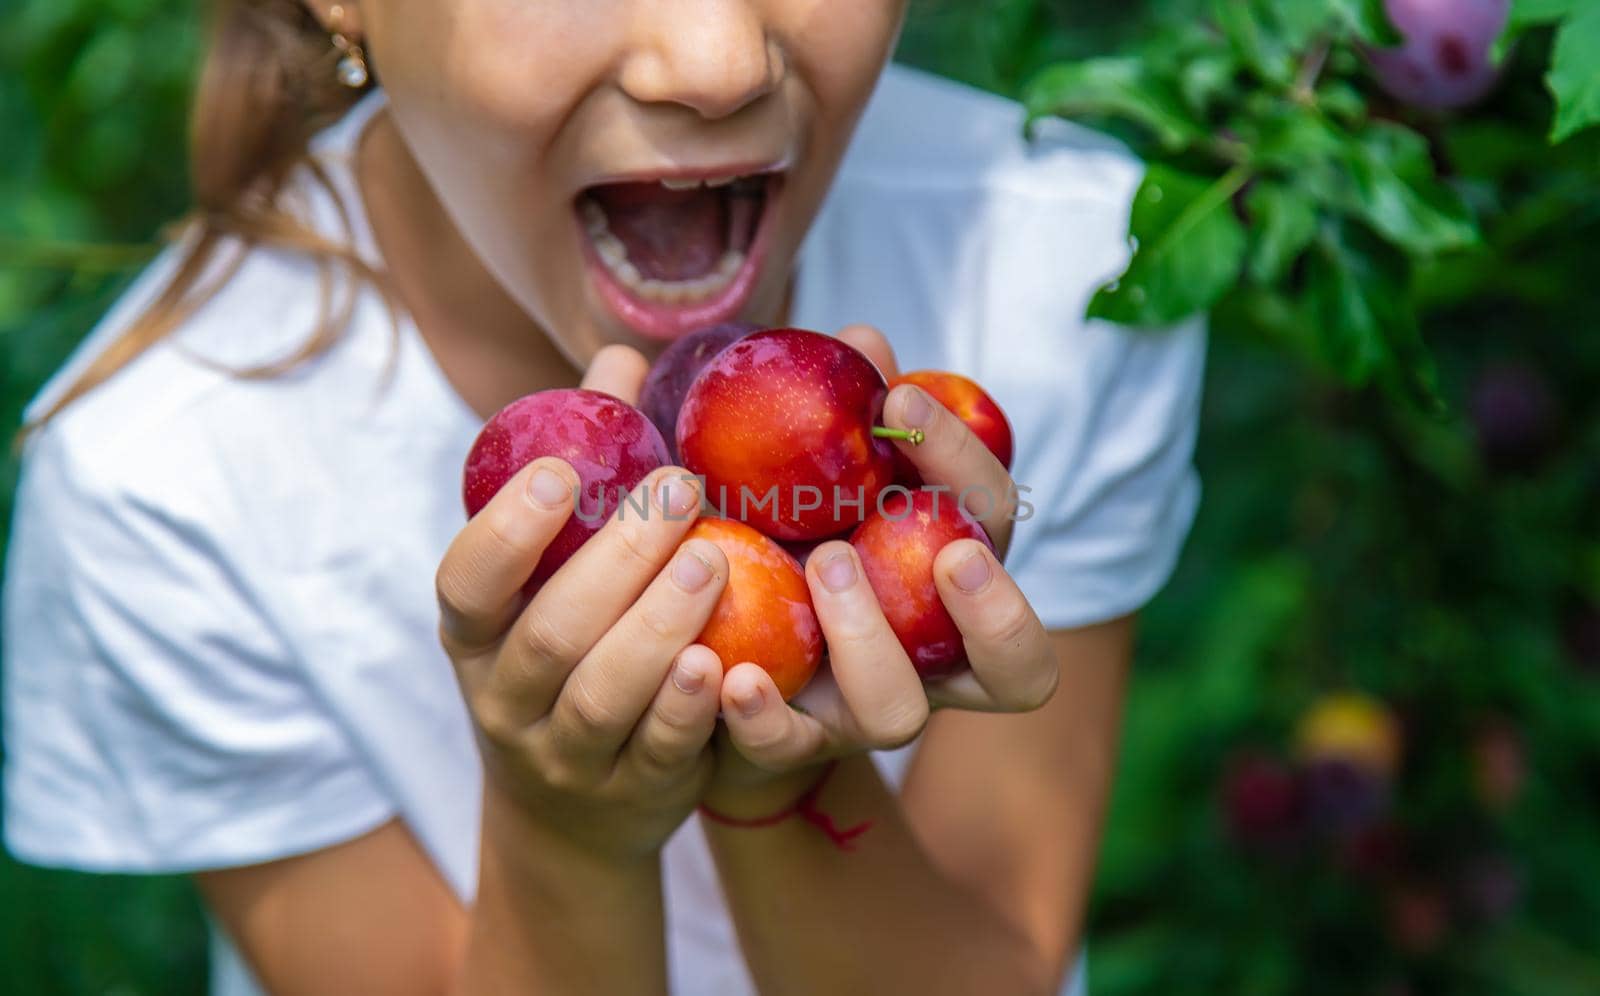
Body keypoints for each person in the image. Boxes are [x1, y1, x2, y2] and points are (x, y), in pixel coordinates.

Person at [2, 1, 1204, 993]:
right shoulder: (163, 482)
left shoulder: (1073, 272)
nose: (717, 61)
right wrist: (565, 828)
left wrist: (777, 773)